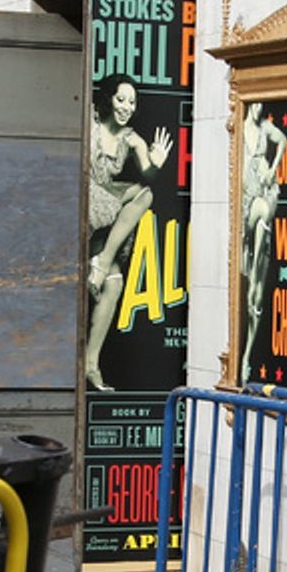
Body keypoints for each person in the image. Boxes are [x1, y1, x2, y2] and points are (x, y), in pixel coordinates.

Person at [85, 74, 172, 392]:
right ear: (108, 98)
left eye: (132, 102)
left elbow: (148, 173)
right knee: (137, 194)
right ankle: (102, 262)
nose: (126, 107)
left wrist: (158, 163)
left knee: (114, 286)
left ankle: (91, 366)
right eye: (121, 99)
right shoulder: (90, 126)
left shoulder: (132, 138)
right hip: (82, 205)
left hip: (105, 214)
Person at [241, 102, 287, 380]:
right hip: (246, 196)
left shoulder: (264, 129)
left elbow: (283, 140)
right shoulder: (240, 126)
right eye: (253, 103)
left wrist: (272, 169)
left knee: (256, 292)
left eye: (261, 103)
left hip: (261, 192)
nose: (257, 107)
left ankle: (247, 357)